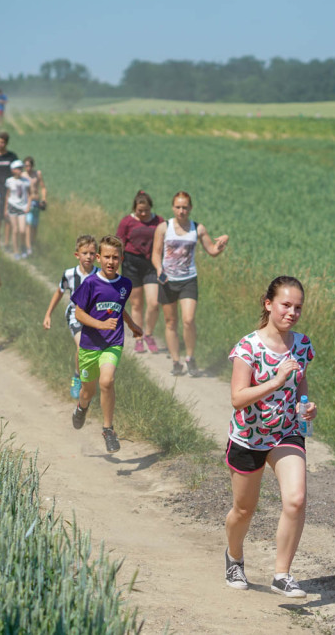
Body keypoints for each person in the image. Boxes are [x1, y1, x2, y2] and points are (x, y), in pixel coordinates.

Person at [224, 276, 315, 598]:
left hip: (286, 433)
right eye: (285, 305)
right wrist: (275, 382)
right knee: (244, 510)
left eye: (298, 307)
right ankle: (234, 558)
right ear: (268, 304)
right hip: (248, 437)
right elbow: (237, 398)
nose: (292, 312)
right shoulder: (248, 347)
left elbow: (300, 384)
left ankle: (282, 574)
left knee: (296, 499)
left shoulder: (302, 345)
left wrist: (307, 407)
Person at [69, 235, 143, 454]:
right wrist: (100, 324)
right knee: (87, 392)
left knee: (107, 381)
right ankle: (82, 408)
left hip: (113, 343)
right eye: (107, 257)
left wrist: (131, 325)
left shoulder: (125, 284)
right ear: (99, 258)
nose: (111, 262)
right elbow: (79, 313)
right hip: (89, 345)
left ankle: (108, 429)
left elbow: (119, 308)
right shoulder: (91, 283)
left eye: (116, 257)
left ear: (121, 258)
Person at [151, 191, 229, 377]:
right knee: (171, 322)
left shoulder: (197, 228)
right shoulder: (164, 227)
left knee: (188, 319)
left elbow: (211, 250)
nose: (181, 211)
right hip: (168, 280)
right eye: (178, 207)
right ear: (173, 207)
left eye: (185, 207)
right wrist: (158, 269)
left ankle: (190, 357)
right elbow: (155, 253)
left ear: (190, 208)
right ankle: (176, 360)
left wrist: (222, 244)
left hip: (188, 280)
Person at [43, 235, 99, 400]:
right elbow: (59, 293)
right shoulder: (69, 274)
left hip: (95, 318)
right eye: (84, 253)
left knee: (93, 353)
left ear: (97, 256)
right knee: (82, 346)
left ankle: (89, 382)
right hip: (75, 316)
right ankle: (77, 378)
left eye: (91, 253)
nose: (88, 256)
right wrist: (48, 314)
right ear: (77, 255)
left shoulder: (101, 275)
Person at [116, 190, 163, 354]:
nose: (143, 214)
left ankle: (149, 334)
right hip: (131, 264)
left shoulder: (159, 222)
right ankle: (138, 337)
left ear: (151, 208)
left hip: (151, 264)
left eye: (146, 211)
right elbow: (119, 243)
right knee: (136, 304)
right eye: (139, 211)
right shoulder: (127, 222)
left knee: (154, 303)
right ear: (134, 209)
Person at [4, 159, 31, 258]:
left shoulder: (25, 181)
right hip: (12, 206)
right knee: (15, 230)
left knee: (22, 230)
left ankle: (23, 246)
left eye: (21, 168)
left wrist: (28, 206)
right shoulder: (9, 181)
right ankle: (16, 251)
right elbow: (7, 195)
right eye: (18, 168)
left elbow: (29, 195)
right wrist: (5, 209)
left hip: (22, 207)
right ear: (13, 170)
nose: (20, 170)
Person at [23, 156, 47, 251]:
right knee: (28, 224)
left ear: (32, 166)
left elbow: (43, 187)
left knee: (35, 225)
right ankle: (28, 247)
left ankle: (32, 243)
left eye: (29, 166)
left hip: (36, 201)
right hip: (28, 202)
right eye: (26, 166)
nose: (28, 168)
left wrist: (44, 199)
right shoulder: (23, 175)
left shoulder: (37, 174)